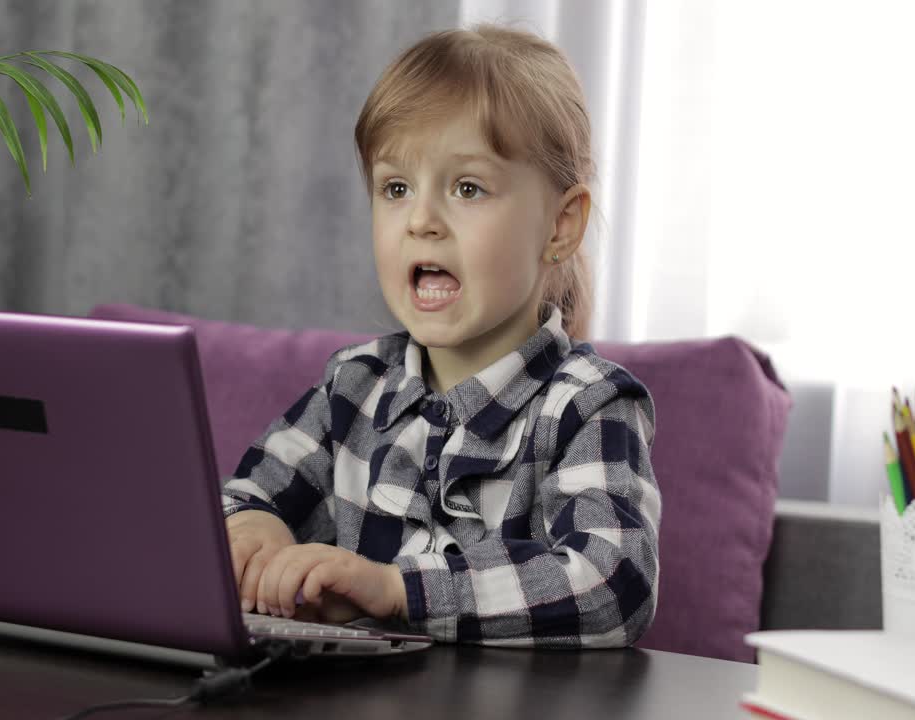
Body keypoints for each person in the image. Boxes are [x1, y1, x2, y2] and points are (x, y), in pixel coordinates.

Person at [221, 24, 660, 648]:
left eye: (468, 188)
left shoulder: (586, 405)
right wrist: (253, 529)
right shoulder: (354, 384)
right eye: (395, 189)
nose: (421, 221)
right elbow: (237, 498)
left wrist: (398, 591)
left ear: (561, 225)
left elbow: (614, 582)